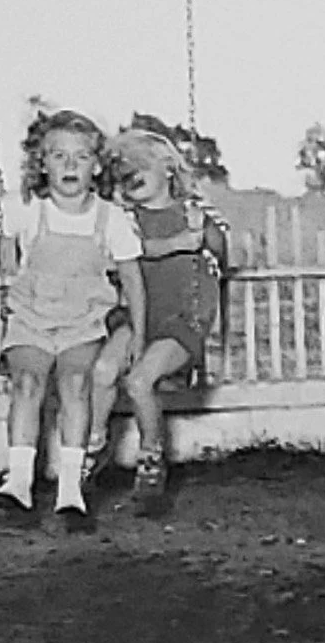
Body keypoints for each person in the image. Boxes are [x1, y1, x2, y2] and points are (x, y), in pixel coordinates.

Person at [0, 110, 144, 527]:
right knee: (27, 382)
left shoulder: (110, 217)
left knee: (76, 384)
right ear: (42, 164)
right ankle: (19, 482)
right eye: (59, 156)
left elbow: (132, 278)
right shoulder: (28, 208)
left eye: (81, 156)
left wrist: (140, 335)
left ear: (97, 166)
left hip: (84, 321)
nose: (70, 165)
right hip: (31, 317)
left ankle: (70, 490)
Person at [92, 127, 230, 516]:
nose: (129, 175)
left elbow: (220, 253)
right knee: (103, 370)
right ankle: (94, 444)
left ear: (168, 167)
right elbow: (130, 254)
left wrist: (207, 234)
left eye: (139, 166)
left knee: (139, 382)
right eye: (121, 171)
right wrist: (178, 243)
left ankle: (151, 459)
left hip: (181, 321)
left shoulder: (193, 214)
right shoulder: (126, 221)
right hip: (138, 315)